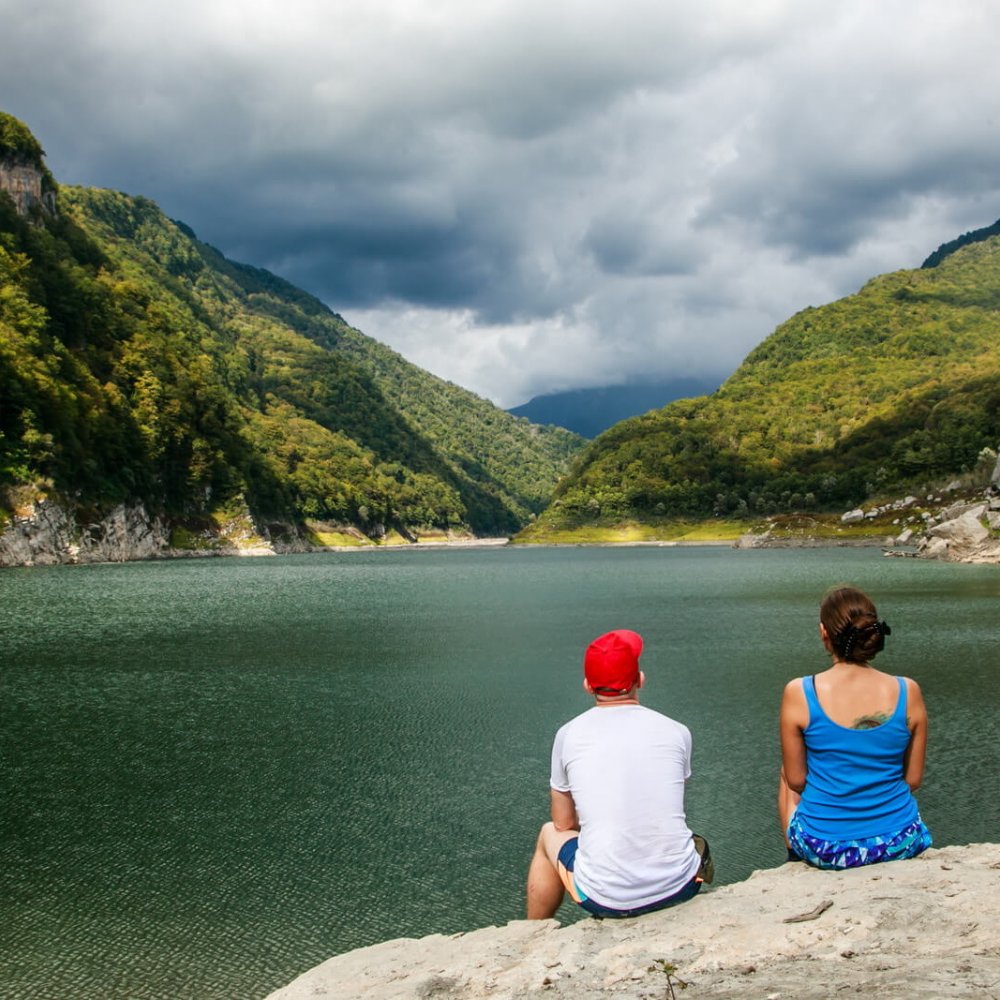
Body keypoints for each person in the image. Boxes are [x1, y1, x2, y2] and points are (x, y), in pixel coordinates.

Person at [526, 629, 709, 919]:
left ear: (588, 685)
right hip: (682, 884)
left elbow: (564, 823)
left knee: (548, 833)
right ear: (640, 680)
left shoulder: (569, 735)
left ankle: (533, 933)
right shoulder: (677, 731)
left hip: (607, 898)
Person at [778, 585, 932, 869]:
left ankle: (793, 854)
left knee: (786, 773)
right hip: (900, 840)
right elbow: (913, 780)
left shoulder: (800, 691)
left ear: (824, 633)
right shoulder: (908, 690)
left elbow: (797, 781)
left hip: (827, 848)